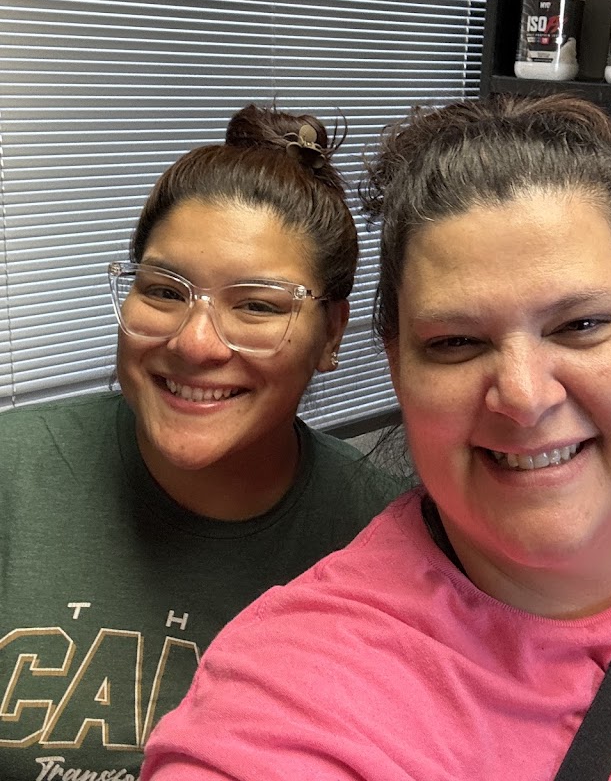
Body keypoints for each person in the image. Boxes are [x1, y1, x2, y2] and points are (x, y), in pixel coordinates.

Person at [141, 93, 611, 781]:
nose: (523, 397)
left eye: (580, 326)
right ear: (397, 369)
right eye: (457, 342)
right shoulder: (297, 698)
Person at [0, 103, 404, 781]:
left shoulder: (386, 544)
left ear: (331, 335)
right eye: (164, 291)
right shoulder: (14, 474)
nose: (194, 343)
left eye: (257, 305)